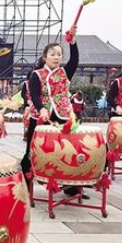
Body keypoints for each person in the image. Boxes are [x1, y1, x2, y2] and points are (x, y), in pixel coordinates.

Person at [21, 28, 79, 188]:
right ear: (45, 56)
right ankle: (26, 183)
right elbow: (34, 95)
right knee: (32, 150)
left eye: (59, 54)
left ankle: (70, 185)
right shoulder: (37, 74)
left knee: (67, 150)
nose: (56, 57)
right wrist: (41, 109)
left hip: (63, 116)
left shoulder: (65, 72)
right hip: (41, 116)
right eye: (53, 54)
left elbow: (75, 59)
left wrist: (73, 42)